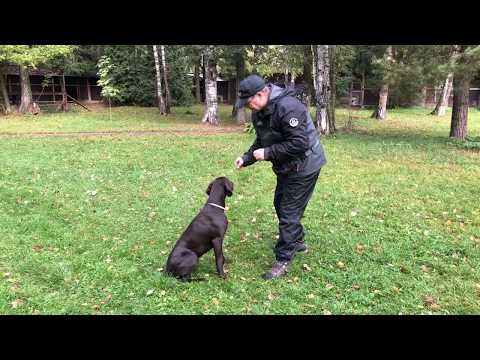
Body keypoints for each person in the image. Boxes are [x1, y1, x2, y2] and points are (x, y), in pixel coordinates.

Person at [234, 74, 327, 280]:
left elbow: (299, 143)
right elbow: (262, 139)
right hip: (286, 166)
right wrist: (247, 157)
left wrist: (268, 153)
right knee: (280, 203)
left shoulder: (289, 107)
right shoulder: (260, 112)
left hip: (305, 164)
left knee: (288, 211)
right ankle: (298, 239)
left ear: (261, 93)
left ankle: (283, 260)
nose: (250, 107)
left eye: (250, 102)